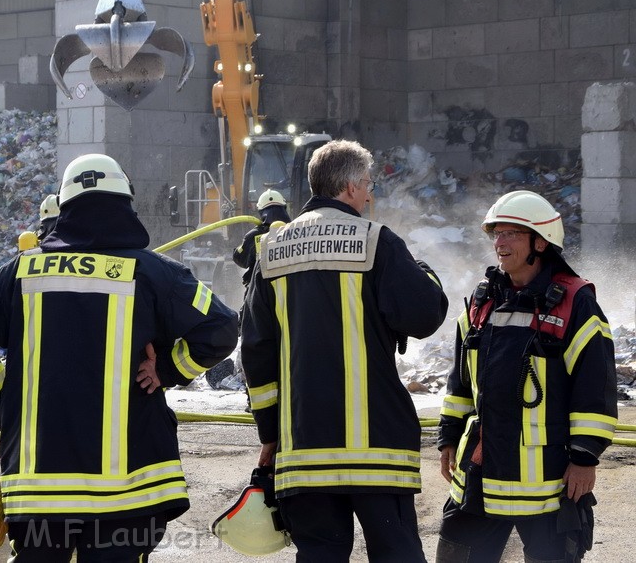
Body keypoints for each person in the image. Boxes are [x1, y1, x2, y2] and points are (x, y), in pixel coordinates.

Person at [0, 153, 239, 561]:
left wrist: (6, 409)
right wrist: (169, 369)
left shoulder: (18, 274)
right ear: (125, 204)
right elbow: (223, 327)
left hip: (38, 492)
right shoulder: (155, 273)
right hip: (127, 489)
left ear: (64, 209)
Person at [240, 139, 448, 562]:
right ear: (351, 187)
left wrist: (270, 434)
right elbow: (426, 315)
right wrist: (425, 273)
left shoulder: (272, 252)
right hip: (377, 449)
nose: (370, 194)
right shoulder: (377, 242)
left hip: (303, 449)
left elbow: (256, 353)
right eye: (368, 184)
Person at [435, 190, 617, 562]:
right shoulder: (482, 300)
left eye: (511, 234)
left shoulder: (575, 302)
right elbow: (460, 381)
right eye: (496, 234)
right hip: (480, 474)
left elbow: (595, 385)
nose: (499, 243)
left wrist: (585, 458)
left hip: (548, 483)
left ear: (541, 242)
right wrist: (449, 436)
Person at [232, 189, 291, 285]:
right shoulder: (297, 231)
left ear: (261, 211)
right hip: (293, 291)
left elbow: (240, 260)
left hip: (260, 293)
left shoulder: (253, 236)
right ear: (284, 208)